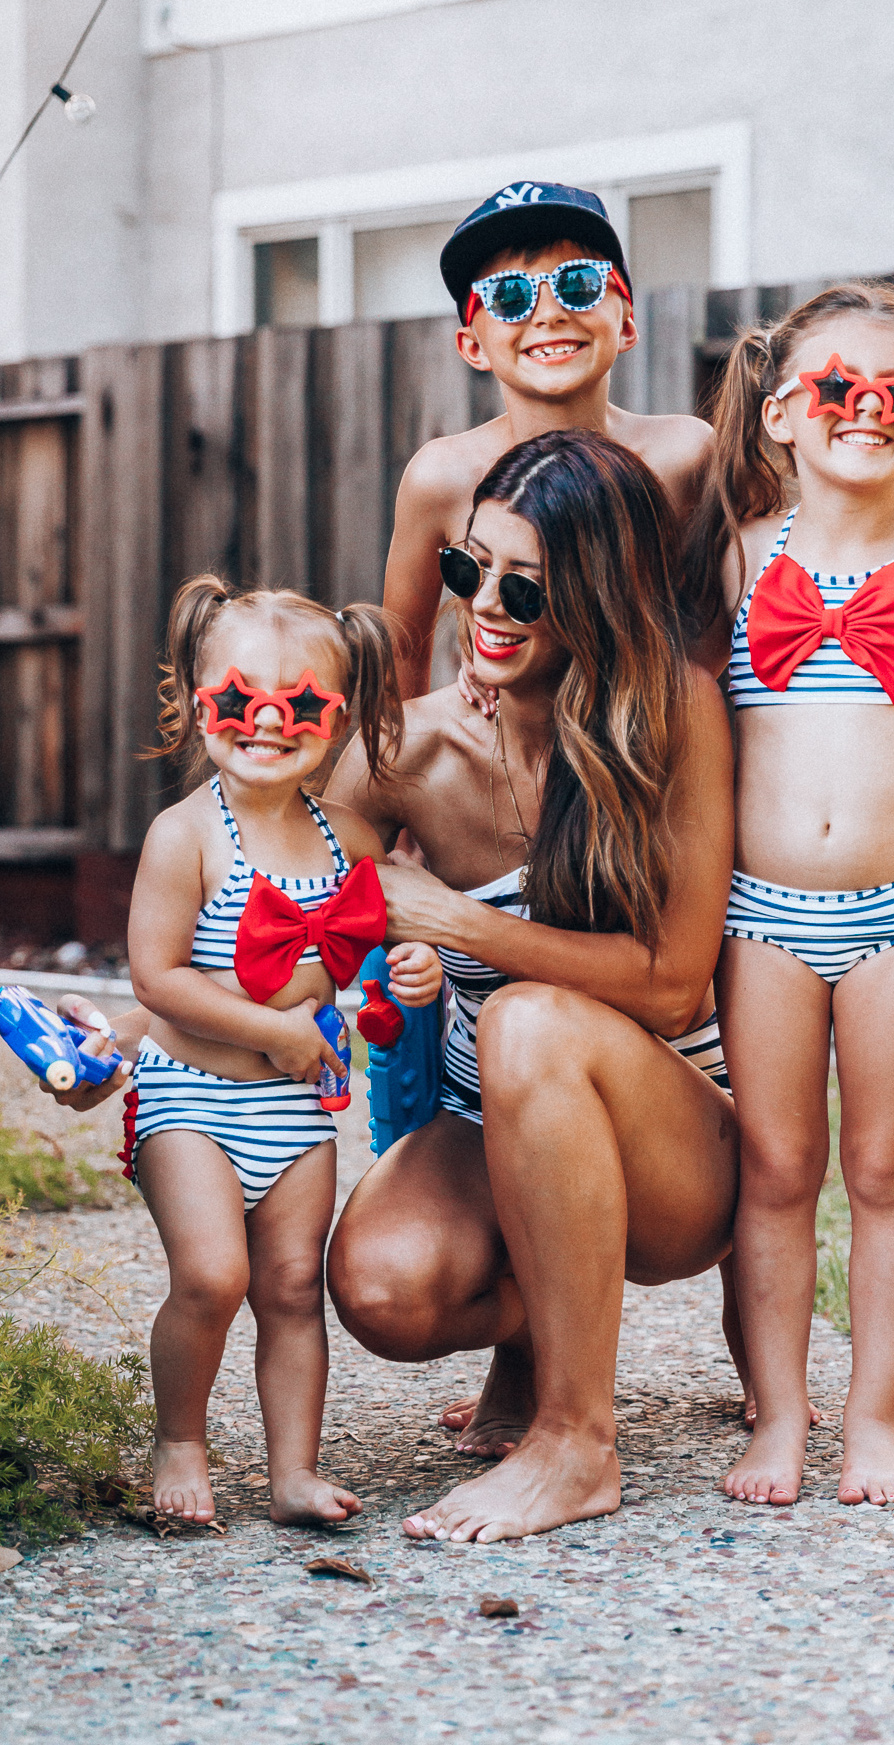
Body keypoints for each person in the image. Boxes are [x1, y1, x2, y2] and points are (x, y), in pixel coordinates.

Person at [326, 429, 738, 1543]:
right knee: (381, 1284)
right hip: (485, 1129)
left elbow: (670, 983)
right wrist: (137, 1023)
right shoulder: (410, 748)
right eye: (468, 572)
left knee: (521, 1021)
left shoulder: (674, 713)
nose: (485, 606)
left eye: (527, 587)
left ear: (598, 596)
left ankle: (576, 1439)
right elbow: (267, 885)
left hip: (678, 1154)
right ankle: (538, 1325)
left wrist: (456, 922)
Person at [685, 281, 894, 1509]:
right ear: (781, 411)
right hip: (760, 916)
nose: (866, 407)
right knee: (773, 1170)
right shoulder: (732, 554)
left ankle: (873, 1420)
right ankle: (779, 1414)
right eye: (837, 387)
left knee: (885, 1166)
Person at [44, 579, 441, 1529]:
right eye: (238, 698)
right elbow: (158, 979)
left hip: (294, 1116)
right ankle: (179, 1439)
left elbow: (376, 948)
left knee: (293, 1289)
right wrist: (277, 1032)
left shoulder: (347, 838)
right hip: (191, 1097)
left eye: (300, 704)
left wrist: (413, 968)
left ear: (338, 718)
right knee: (214, 1276)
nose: (267, 721)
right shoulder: (182, 838)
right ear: (192, 700)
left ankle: (292, 1471)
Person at [383, 182, 713, 701]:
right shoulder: (441, 477)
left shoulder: (686, 455)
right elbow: (401, 652)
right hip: (502, 762)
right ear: (473, 345)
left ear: (627, 323)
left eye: (578, 284)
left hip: (650, 751)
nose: (548, 313)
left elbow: (727, 629)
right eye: (509, 297)